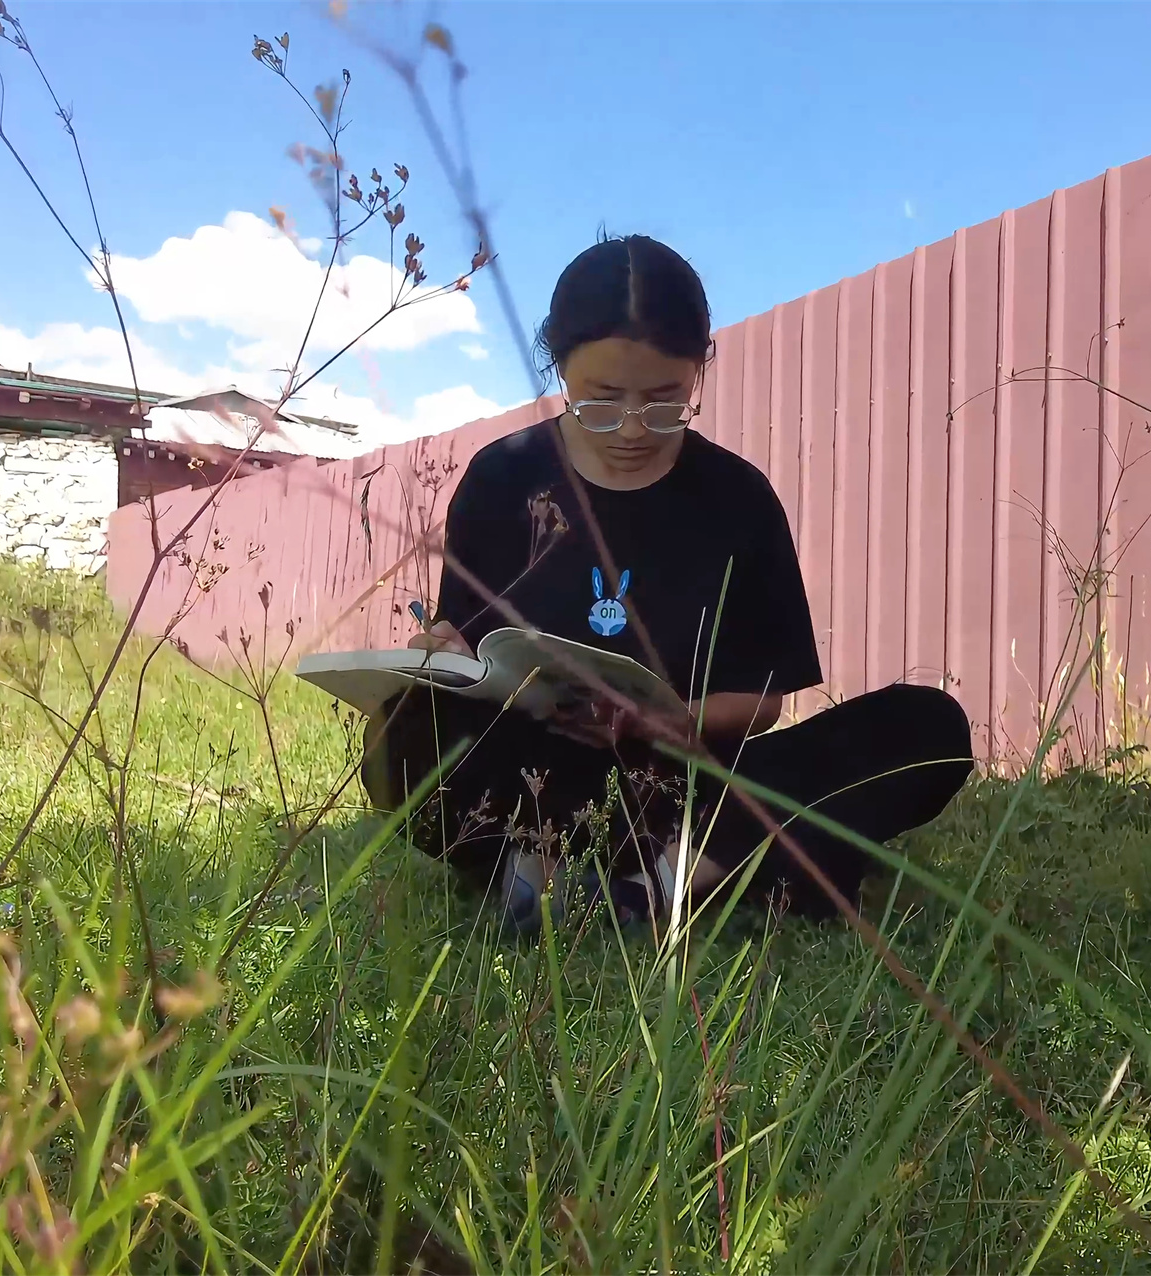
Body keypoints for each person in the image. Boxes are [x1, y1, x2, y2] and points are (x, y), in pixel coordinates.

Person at [362, 233, 973, 933]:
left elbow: (763, 701)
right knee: (401, 730)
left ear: (698, 370)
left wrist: (675, 720)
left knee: (927, 727)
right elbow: (468, 653)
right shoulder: (503, 478)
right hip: (530, 778)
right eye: (600, 402)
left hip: (680, 792)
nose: (631, 429)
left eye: (663, 403)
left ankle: (655, 886)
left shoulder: (737, 499)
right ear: (558, 368)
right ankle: (554, 867)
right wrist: (441, 658)